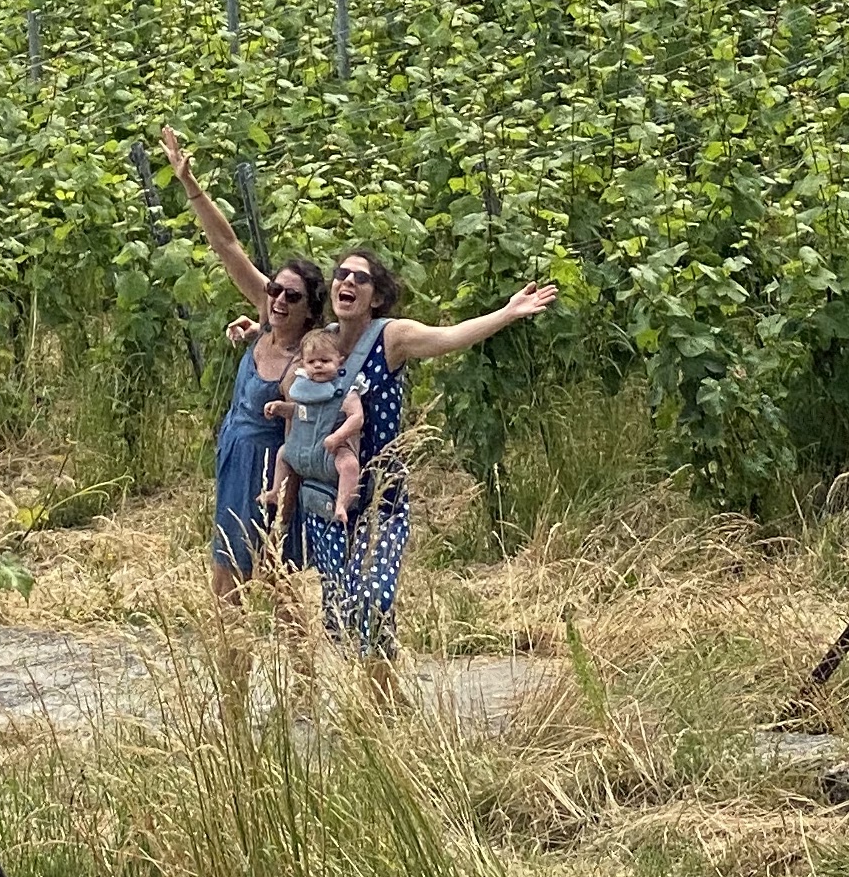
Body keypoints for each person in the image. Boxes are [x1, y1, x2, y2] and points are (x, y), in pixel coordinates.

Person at [312, 245, 559, 662]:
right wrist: (253, 332)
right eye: (341, 274)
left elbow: (450, 337)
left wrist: (507, 313)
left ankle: (382, 708)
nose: (347, 282)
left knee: (373, 602)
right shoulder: (323, 342)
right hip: (330, 498)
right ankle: (369, 713)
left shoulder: (392, 337)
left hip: (382, 497)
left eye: (361, 277)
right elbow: (277, 322)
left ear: (378, 297)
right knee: (338, 615)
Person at [157, 132, 324, 597]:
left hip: (267, 473)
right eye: (275, 290)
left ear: (310, 309)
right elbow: (227, 246)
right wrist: (189, 184)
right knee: (225, 581)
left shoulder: (300, 364)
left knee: (277, 583)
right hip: (234, 460)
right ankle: (231, 671)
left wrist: (283, 505)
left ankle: (307, 670)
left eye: (292, 296)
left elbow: (294, 442)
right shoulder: (267, 322)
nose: (279, 300)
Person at [266, 323, 366, 557]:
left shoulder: (345, 388)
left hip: (333, 448)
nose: (318, 366)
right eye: (312, 362)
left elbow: (357, 418)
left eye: (325, 360)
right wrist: (281, 408)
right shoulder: (304, 387)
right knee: (282, 453)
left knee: (349, 465)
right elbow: (301, 412)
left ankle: (342, 504)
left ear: (339, 361)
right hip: (305, 449)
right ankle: (273, 491)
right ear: (303, 364)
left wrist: (338, 436)